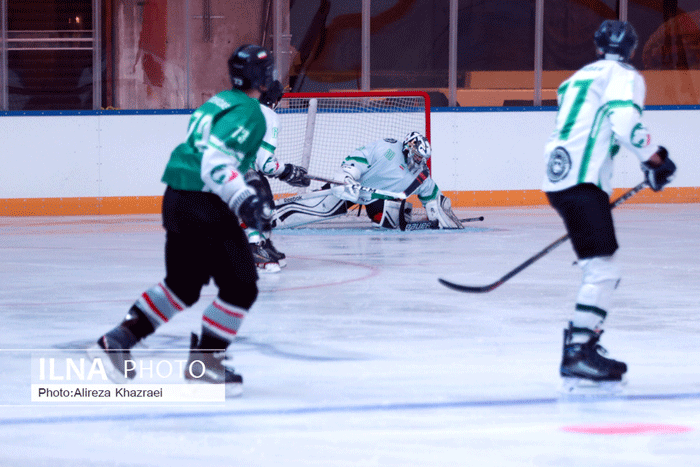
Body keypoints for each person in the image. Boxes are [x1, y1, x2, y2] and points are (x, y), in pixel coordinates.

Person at [89, 44, 281, 397]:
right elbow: (215, 161)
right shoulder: (251, 112)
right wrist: (243, 200)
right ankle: (206, 363)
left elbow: (213, 154)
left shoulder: (219, 101)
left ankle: (119, 339)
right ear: (263, 78)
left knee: (183, 285)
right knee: (241, 286)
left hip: (177, 197)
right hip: (205, 202)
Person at [542, 20, 676, 387]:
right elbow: (625, 120)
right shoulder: (624, 76)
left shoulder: (575, 80)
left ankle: (583, 343)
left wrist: (649, 162)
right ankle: (578, 350)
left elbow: (592, 128)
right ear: (631, 50)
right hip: (583, 181)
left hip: (559, 177)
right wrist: (656, 160)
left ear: (598, 47)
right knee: (603, 269)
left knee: (602, 265)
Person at [272, 131, 463, 230]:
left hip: (377, 200)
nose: (420, 161)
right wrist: (348, 174)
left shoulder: (421, 176)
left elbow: (432, 196)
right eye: (417, 156)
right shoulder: (388, 149)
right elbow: (361, 156)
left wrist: (440, 211)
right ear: (407, 148)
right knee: (318, 206)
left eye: (423, 158)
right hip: (354, 187)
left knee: (390, 221)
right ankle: (271, 215)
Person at [243, 79, 310, 273]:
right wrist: (287, 170)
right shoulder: (268, 115)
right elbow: (266, 164)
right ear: (275, 99)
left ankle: (261, 244)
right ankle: (255, 247)